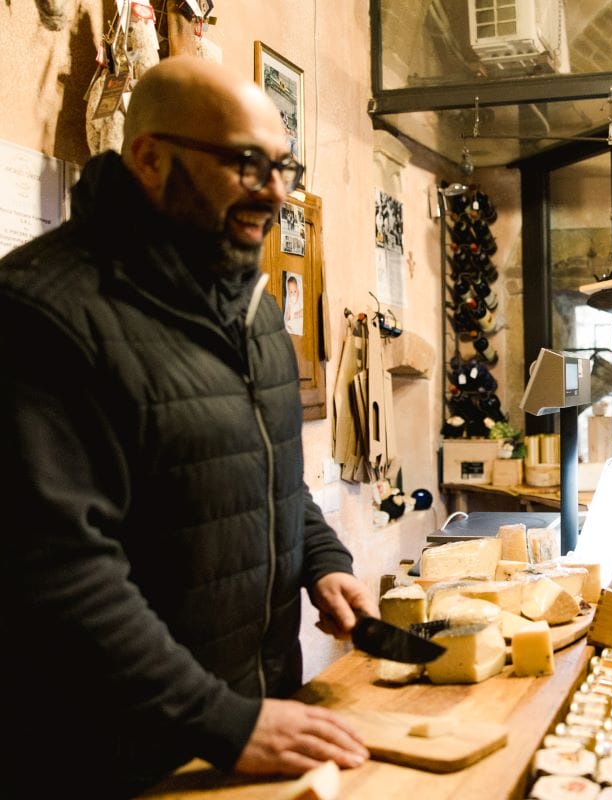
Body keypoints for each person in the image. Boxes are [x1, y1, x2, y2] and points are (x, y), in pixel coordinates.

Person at [0, 56, 376, 798]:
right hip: (106, 761)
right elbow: (55, 573)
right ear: (149, 157)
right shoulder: (41, 314)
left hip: (242, 729)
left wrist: (325, 562)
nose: (275, 193)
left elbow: (271, 477)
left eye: (283, 167)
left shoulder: (254, 309)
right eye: (246, 165)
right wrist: (222, 720)